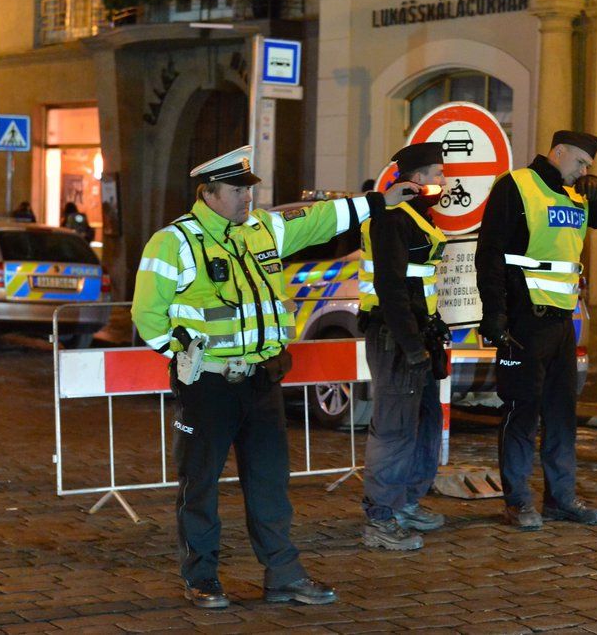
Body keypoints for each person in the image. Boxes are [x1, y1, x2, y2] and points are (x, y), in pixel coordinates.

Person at [131, 145, 416, 610]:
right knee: (199, 484)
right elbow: (147, 314)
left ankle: (283, 574)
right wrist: (183, 355)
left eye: (250, 189)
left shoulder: (263, 230)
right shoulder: (175, 242)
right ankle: (202, 577)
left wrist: (381, 199)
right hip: (208, 384)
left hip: (262, 382)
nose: (248, 198)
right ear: (210, 193)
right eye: (239, 190)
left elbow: (322, 219)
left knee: (269, 483)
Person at [475, 130, 597, 530]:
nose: (584, 170)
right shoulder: (517, 186)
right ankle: (517, 500)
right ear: (558, 152)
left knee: (561, 413)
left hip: (561, 322)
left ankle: (560, 497)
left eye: (589, 166)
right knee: (521, 410)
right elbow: (489, 255)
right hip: (524, 319)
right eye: (580, 163)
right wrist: (495, 315)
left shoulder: (577, 195)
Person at [358, 142, 450, 551]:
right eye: (437, 174)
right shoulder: (391, 217)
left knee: (424, 423)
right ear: (415, 179)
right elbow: (391, 287)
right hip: (395, 334)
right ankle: (381, 516)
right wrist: (411, 343)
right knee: (394, 429)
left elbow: (420, 282)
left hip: (418, 333)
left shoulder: (418, 216)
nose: (443, 182)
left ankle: (407, 501)